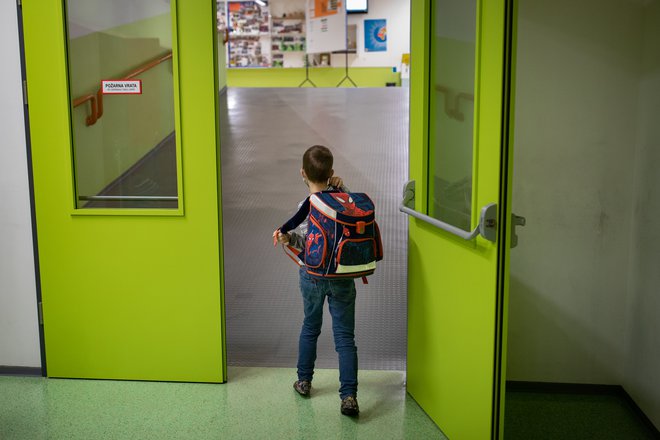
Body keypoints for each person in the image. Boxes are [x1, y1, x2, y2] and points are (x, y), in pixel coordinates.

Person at [272, 145, 360, 417]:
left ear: (302, 173)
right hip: (342, 275)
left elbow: (306, 242)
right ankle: (349, 397)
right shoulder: (345, 201)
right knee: (345, 337)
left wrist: (288, 238)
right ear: (332, 173)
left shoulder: (306, 206)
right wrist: (343, 188)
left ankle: (304, 381)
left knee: (310, 326)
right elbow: (355, 220)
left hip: (312, 275)